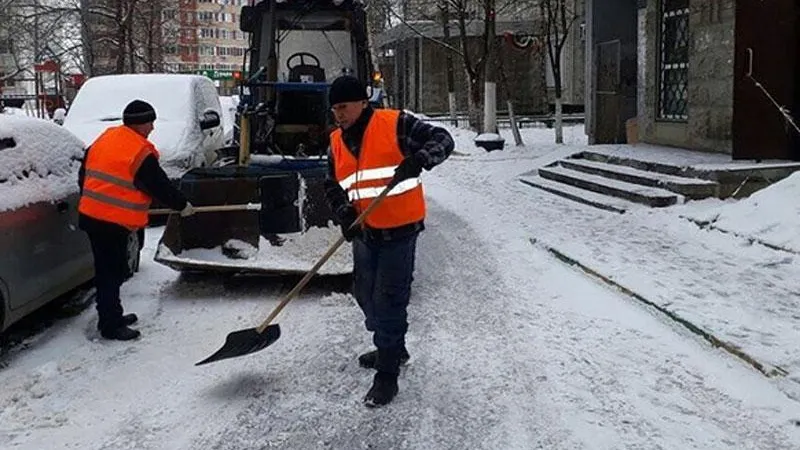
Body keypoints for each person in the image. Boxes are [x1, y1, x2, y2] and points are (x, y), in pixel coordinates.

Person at [324, 75, 454, 407]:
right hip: (366, 233)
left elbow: (443, 139)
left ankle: (387, 375)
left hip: (399, 230)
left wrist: (420, 159)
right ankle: (391, 347)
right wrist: (343, 212)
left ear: (363, 102)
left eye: (344, 106)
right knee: (364, 293)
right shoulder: (337, 142)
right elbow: (332, 184)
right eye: (334, 108)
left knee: (389, 300)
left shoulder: (394, 123)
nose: (339, 114)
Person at [77, 100, 195, 341]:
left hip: (91, 215)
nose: (152, 127)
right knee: (111, 273)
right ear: (140, 124)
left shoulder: (106, 139)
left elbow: (83, 174)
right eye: (150, 122)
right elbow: (159, 185)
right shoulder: (139, 151)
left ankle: (113, 315)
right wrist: (182, 205)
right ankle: (110, 326)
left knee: (109, 271)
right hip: (111, 222)